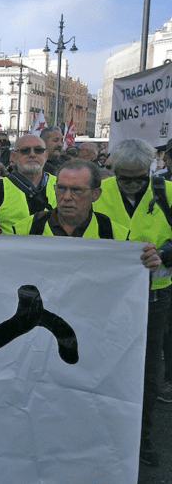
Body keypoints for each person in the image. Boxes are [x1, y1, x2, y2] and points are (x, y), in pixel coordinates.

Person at [92, 138, 172, 466]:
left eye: (139, 177)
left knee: (148, 371)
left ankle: (142, 440)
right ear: (112, 170)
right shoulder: (99, 191)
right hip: (107, 299)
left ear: (151, 168)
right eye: (125, 177)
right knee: (105, 367)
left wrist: (166, 254)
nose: (132, 184)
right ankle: (104, 436)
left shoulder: (166, 192)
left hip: (155, 296)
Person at [13, 159, 129, 239]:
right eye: (61, 188)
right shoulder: (25, 229)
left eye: (76, 190)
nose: (67, 197)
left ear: (95, 194)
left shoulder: (116, 234)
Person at [0, 134, 57, 234]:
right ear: (13, 156)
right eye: (25, 150)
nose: (32, 154)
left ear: (46, 154)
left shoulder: (62, 185)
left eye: (38, 150)